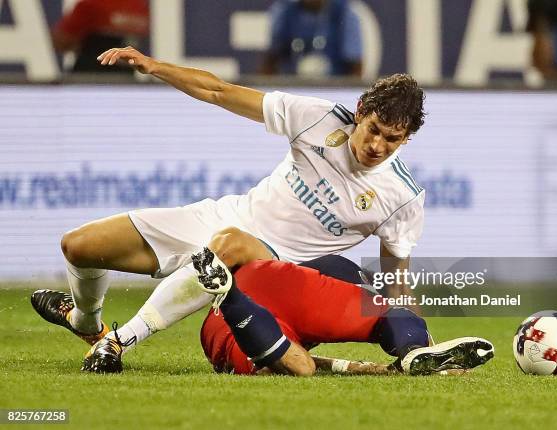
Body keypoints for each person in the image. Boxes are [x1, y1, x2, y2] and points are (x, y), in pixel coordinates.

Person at [31, 46, 426, 372]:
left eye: (392, 139)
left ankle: (117, 343)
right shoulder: (317, 118)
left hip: (273, 267)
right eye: (373, 129)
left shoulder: (402, 197)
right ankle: (86, 323)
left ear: (406, 140)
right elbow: (219, 91)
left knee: (231, 244)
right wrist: (154, 66)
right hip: (227, 217)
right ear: (360, 111)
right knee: (79, 245)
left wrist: (418, 343)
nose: (377, 146)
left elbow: (396, 283)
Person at [83, 247, 494, 375]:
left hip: (265, 278)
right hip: (288, 284)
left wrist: (356, 368)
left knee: (296, 362)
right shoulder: (340, 275)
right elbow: (341, 274)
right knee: (395, 319)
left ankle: (230, 297)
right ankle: (411, 349)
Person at [260, 0, 363, 77]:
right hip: (292, 90)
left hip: (333, 90)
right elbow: (270, 61)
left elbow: (356, 67)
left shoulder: (345, 13)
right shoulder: (284, 11)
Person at [52, 0, 149, 74]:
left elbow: (61, 41)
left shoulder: (92, 4)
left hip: (90, 76)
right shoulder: (140, 8)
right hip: (124, 79)